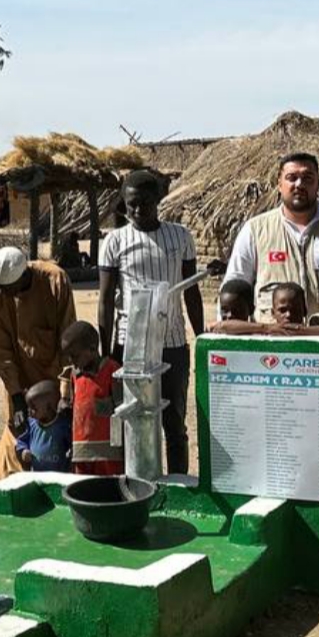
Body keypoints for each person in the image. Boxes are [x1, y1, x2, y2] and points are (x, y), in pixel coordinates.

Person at [98, 169, 205, 475]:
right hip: (130, 347)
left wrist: (202, 338)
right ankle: (134, 483)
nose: (137, 210)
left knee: (174, 424)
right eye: (131, 204)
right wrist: (107, 353)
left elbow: (191, 291)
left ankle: (178, 482)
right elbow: (106, 300)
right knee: (132, 420)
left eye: (144, 202)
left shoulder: (180, 237)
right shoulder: (114, 241)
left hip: (172, 344)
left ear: (157, 200)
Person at [222, 153, 319, 322]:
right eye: (292, 178)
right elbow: (233, 289)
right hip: (272, 337)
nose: (299, 184)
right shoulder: (255, 230)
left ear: (318, 183)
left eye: (307, 178)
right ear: (279, 184)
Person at [0, 247, 78, 485]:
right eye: (0, 288)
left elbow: (68, 337)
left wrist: (65, 391)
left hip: (52, 388)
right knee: (17, 447)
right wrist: (15, 394)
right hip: (19, 384)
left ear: (24, 276)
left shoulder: (55, 280)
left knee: (58, 449)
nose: (2, 294)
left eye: (8, 289)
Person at [62, 321, 123, 476]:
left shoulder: (112, 370)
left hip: (108, 454)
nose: (71, 361)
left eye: (74, 356)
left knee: (108, 487)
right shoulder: (75, 376)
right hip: (81, 452)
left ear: (92, 349)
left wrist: (121, 447)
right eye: (68, 357)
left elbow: (121, 412)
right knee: (82, 487)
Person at [14, 380, 72, 473]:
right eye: (28, 407)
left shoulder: (62, 426)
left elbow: (71, 444)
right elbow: (22, 441)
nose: (29, 411)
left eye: (34, 408)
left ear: (49, 408)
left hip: (58, 475)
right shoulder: (31, 424)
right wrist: (24, 451)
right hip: (36, 474)